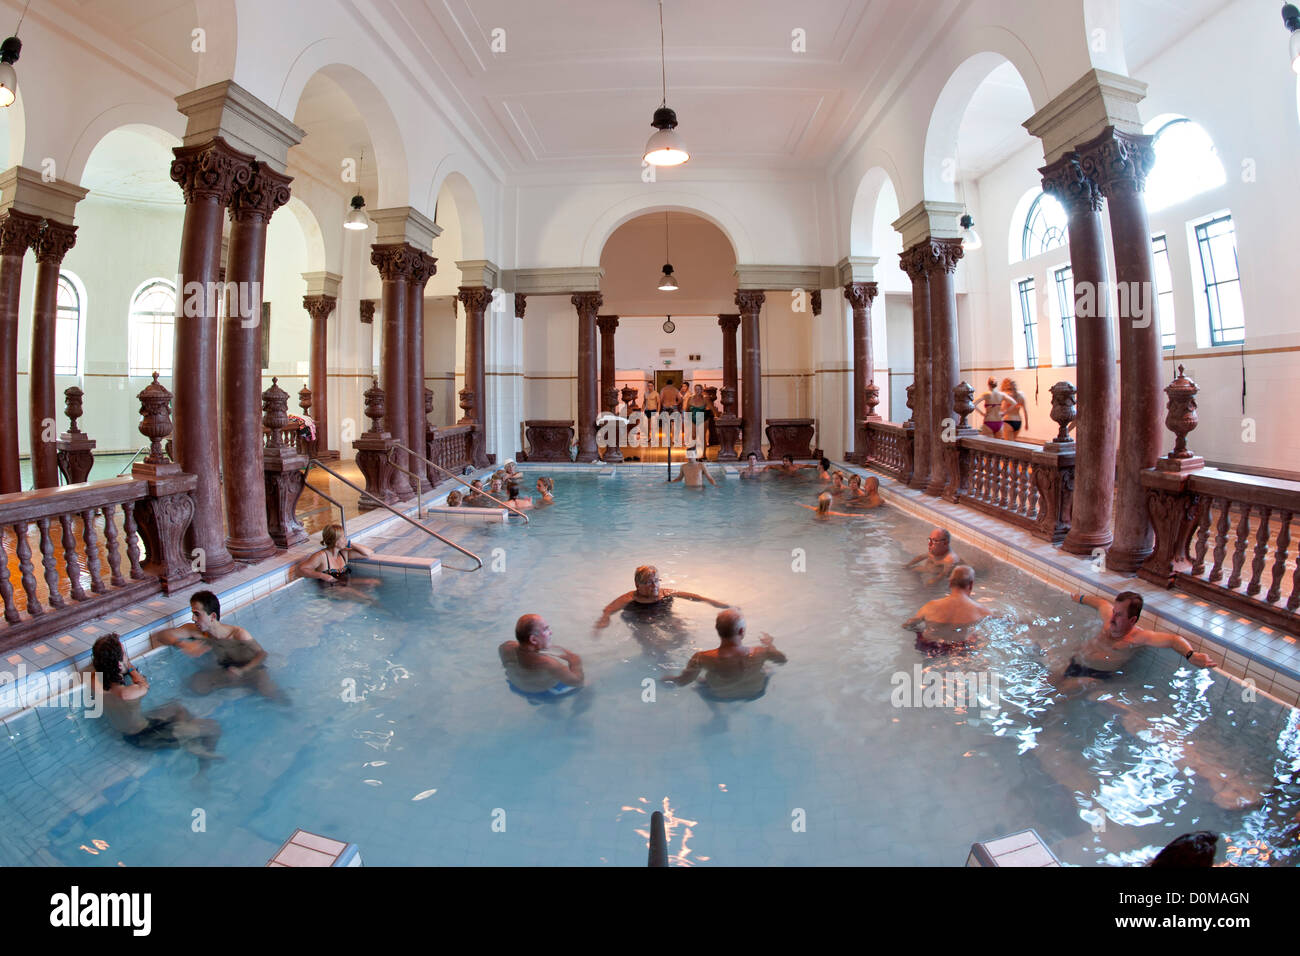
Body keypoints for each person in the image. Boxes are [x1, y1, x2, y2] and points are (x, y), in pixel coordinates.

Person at [92, 634, 223, 769]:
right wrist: (129, 666)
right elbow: (144, 683)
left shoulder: (94, 682)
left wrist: (114, 664)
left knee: (175, 707)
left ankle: (187, 740)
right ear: (119, 664)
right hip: (148, 736)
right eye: (124, 653)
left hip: (129, 732)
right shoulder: (128, 693)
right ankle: (201, 768)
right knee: (213, 727)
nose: (126, 656)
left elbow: (100, 672)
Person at [1056, 590, 1216, 691]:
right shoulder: (1108, 620)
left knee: (1059, 695)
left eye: (1119, 615)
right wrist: (1080, 598)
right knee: (1049, 683)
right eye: (1114, 611)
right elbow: (1100, 603)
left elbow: (1173, 640)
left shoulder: (1138, 637)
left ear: (1132, 620)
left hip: (1096, 676)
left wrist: (1191, 655)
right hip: (1076, 663)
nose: (1112, 617)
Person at [153, 590, 286, 700]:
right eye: (192, 613)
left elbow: (262, 655)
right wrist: (182, 644)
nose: (193, 619)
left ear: (212, 616)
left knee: (272, 695)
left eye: (197, 614)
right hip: (227, 671)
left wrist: (242, 670)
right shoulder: (195, 631)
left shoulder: (238, 634)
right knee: (195, 686)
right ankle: (235, 691)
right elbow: (161, 635)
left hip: (251, 670)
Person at [660, 608, 787, 700]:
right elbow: (782, 660)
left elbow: (682, 682)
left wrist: (667, 680)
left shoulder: (702, 658)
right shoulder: (761, 651)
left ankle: (717, 715)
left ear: (718, 630)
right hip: (756, 693)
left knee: (700, 681)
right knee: (767, 669)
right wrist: (769, 645)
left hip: (721, 697)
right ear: (742, 631)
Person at [595, 565, 729, 629]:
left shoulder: (665, 593)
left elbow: (693, 597)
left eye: (656, 581)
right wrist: (604, 619)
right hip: (641, 621)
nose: (654, 586)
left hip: (664, 616)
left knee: (682, 631)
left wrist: (711, 602)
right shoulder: (630, 598)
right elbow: (609, 609)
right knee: (652, 644)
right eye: (648, 582)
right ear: (637, 584)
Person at [902, 565, 991, 653]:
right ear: (971, 584)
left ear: (950, 583)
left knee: (918, 666)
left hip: (929, 648)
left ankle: (917, 667)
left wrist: (920, 633)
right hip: (960, 650)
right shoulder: (982, 611)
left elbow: (908, 625)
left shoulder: (930, 606)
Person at [498, 614, 584, 700]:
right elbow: (578, 682)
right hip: (544, 693)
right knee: (588, 685)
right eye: (546, 629)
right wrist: (575, 662)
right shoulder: (548, 663)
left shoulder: (505, 647)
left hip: (516, 687)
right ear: (533, 640)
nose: (551, 632)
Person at [297, 524, 379, 602]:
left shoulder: (344, 553)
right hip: (332, 589)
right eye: (343, 537)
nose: (345, 540)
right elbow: (301, 570)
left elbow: (368, 553)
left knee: (373, 582)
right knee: (364, 598)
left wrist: (351, 544)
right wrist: (322, 575)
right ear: (335, 541)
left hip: (344, 582)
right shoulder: (321, 556)